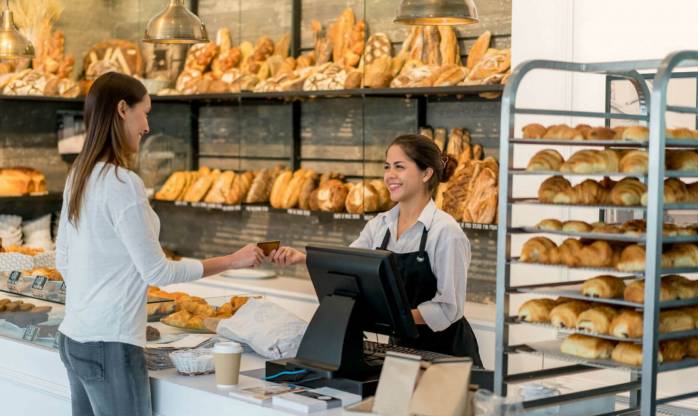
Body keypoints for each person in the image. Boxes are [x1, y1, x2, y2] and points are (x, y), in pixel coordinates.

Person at [55, 72, 264, 416]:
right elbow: (158, 271)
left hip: (74, 337)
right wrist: (232, 260)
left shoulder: (80, 172)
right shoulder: (122, 182)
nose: (147, 126)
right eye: (145, 113)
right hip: (111, 344)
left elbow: (62, 258)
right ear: (123, 109)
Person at [271, 134, 482, 367]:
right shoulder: (380, 225)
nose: (389, 175)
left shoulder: (445, 232)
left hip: (446, 357)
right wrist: (303, 258)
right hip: (401, 351)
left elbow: (448, 308)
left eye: (399, 167)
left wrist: (390, 317)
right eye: (387, 167)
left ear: (426, 173)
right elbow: (346, 263)